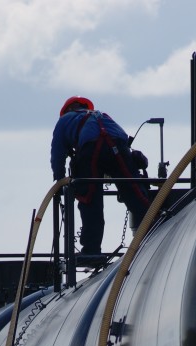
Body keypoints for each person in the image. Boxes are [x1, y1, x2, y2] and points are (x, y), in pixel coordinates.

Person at [50, 96, 151, 257]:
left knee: (89, 198)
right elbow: (122, 140)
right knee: (133, 190)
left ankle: (91, 250)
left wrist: (60, 182)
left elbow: (57, 154)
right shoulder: (102, 115)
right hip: (118, 145)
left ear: (67, 110)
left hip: (90, 148)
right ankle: (155, 226)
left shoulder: (64, 120)